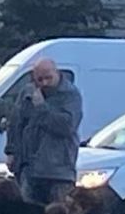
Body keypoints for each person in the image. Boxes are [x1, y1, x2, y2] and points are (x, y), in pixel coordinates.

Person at [5, 57, 83, 205]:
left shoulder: (70, 95)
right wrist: (11, 151)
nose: (44, 83)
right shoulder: (28, 93)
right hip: (29, 169)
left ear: (57, 73)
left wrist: (41, 107)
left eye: (48, 78)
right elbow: (16, 123)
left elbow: (66, 127)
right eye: (40, 79)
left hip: (58, 171)